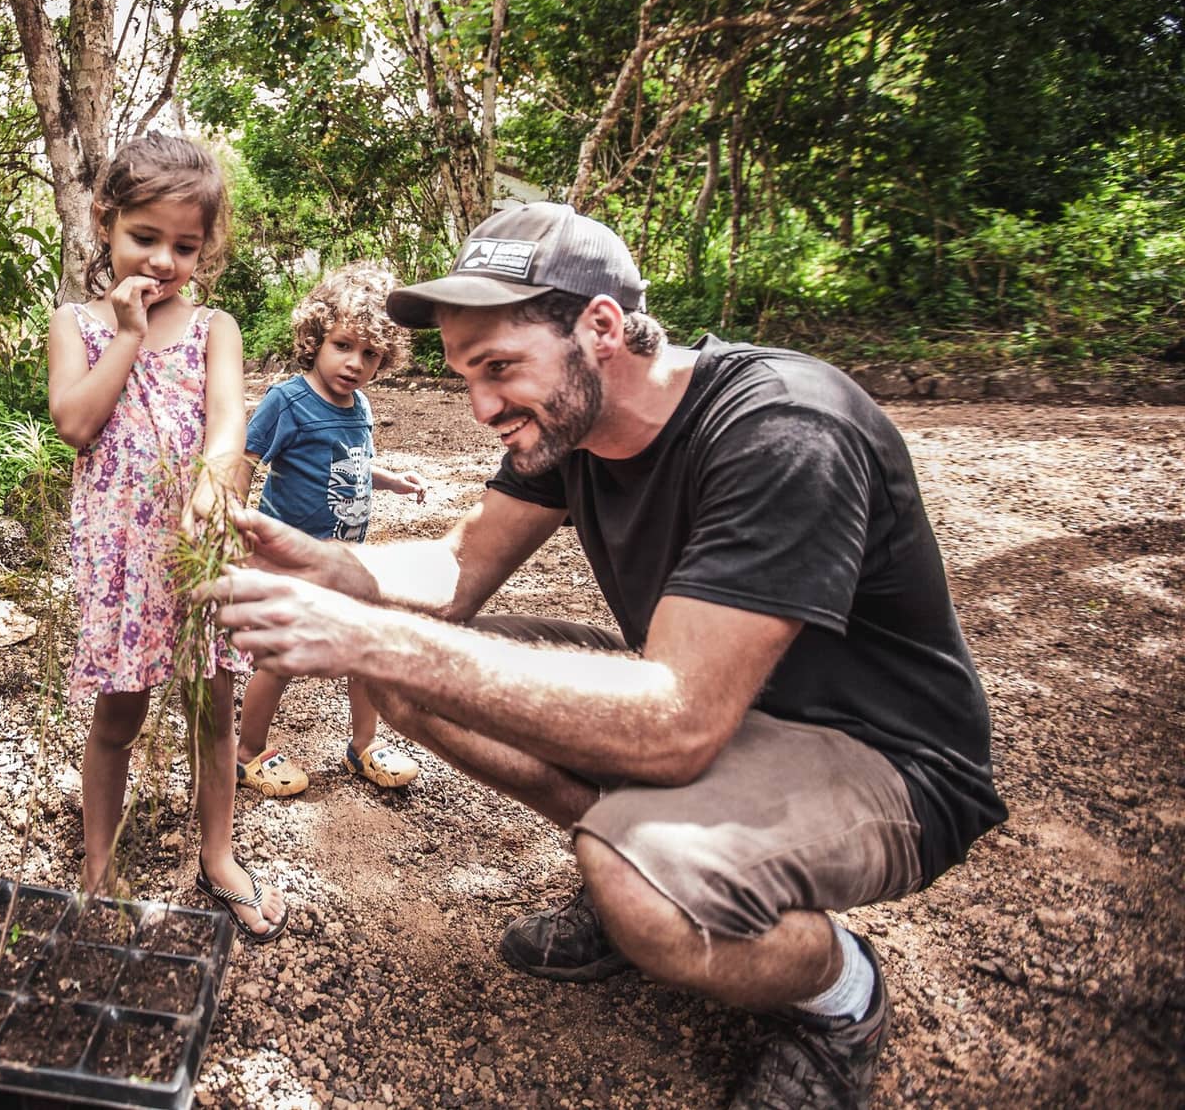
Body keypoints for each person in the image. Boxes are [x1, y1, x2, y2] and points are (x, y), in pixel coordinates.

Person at [206, 202, 1005, 1106]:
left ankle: (839, 995)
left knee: (634, 880)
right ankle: (632, 856)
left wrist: (365, 628)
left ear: (600, 327)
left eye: (499, 367)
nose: (480, 407)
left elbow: (677, 725)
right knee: (404, 676)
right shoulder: (567, 425)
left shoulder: (783, 427)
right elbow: (459, 567)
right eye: (467, 374)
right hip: (715, 707)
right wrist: (334, 567)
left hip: (881, 754)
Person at [45, 133, 288, 944]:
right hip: (122, 560)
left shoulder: (215, 326)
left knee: (210, 707)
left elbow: (228, 423)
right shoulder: (74, 323)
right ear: (105, 221)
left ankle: (218, 854)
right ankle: (97, 863)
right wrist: (123, 332)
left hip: (198, 549)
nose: (163, 260)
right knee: (120, 713)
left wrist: (215, 485)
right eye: (145, 237)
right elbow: (77, 424)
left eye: (185, 245)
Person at [234, 262, 429, 798]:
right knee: (281, 658)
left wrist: (392, 480)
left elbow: (354, 463)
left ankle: (362, 744)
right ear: (316, 338)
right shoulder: (288, 401)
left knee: (363, 646)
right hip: (291, 560)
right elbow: (247, 459)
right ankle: (248, 753)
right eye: (344, 345)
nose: (355, 363)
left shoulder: (360, 405)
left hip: (346, 558)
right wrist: (233, 520)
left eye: (370, 354)